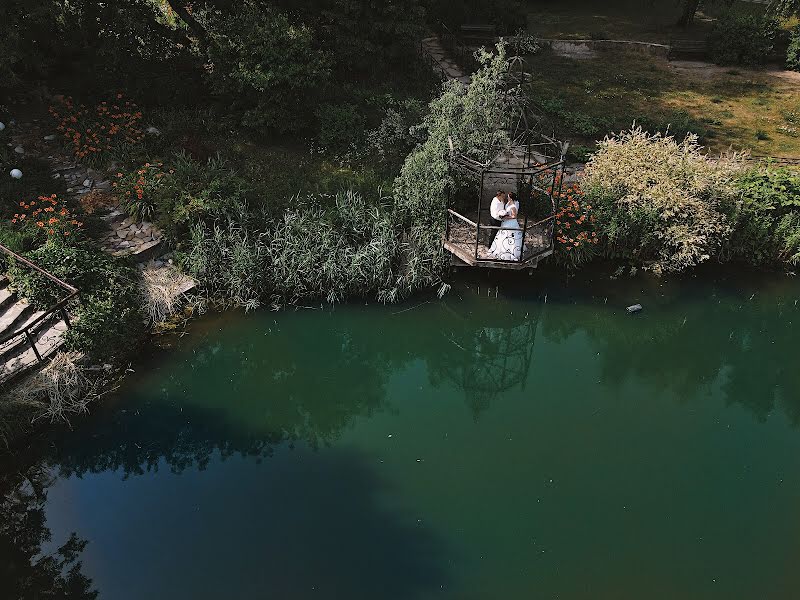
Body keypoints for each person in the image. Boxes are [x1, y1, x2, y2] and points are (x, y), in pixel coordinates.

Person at [489, 192, 523, 261]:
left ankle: (511, 252)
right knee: (502, 235)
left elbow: (514, 216)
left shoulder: (513, 206)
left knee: (510, 236)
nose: (507, 198)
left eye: (508, 197)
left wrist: (506, 217)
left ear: (510, 198)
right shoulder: (508, 203)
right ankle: (500, 250)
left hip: (511, 223)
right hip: (505, 222)